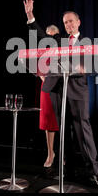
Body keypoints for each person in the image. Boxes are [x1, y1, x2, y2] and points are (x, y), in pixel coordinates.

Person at [23, 0, 98, 189]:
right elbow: (41, 38)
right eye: (65, 22)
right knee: (64, 133)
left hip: (77, 93)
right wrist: (31, 17)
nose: (68, 24)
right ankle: (68, 172)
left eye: (71, 21)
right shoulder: (58, 40)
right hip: (58, 91)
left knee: (83, 133)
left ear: (78, 22)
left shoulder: (87, 43)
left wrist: (82, 68)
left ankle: (94, 174)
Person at [40, 25, 60, 168]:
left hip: (62, 88)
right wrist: (48, 81)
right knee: (49, 122)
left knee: (63, 121)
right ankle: (50, 153)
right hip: (47, 88)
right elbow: (40, 72)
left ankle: (63, 154)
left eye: (53, 36)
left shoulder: (61, 50)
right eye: (48, 35)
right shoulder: (42, 52)